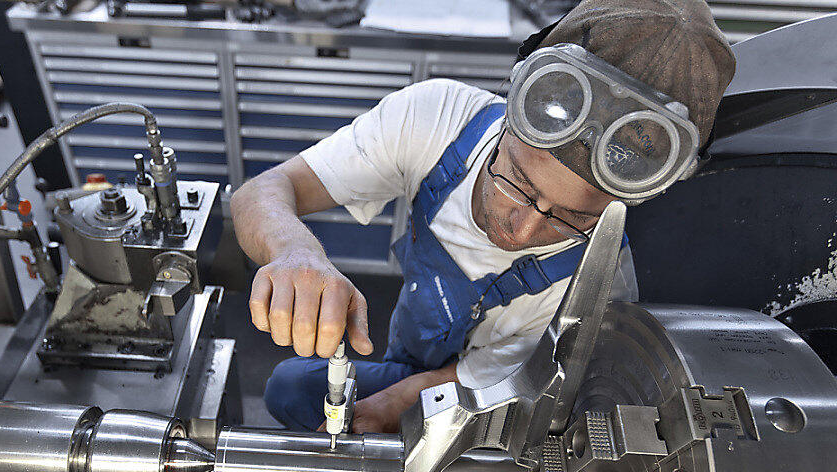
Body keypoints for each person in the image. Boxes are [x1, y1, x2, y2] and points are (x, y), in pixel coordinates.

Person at [230, 0, 736, 433]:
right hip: (416, 353)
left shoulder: (599, 289)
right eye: (516, 181)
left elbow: (496, 384)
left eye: (570, 217)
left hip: (504, 396)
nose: (524, 230)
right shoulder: (435, 120)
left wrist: (390, 409)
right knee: (290, 387)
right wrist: (295, 252)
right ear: (511, 102)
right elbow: (263, 191)